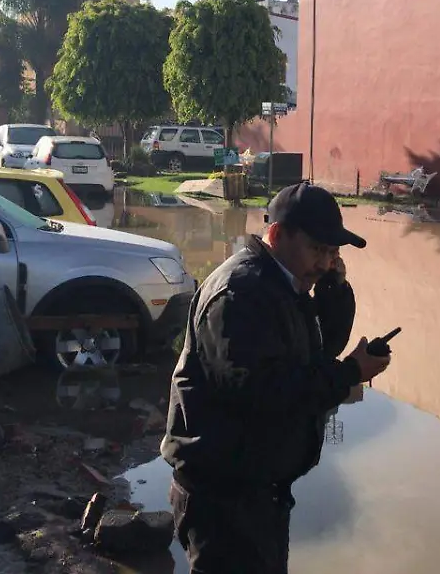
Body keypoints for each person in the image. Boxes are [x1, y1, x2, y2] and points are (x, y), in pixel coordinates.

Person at [161, 181, 392, 573]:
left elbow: (320, 350)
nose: (324, 262)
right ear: (277, 234)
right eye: (318, 249)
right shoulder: (241, 293)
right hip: (223, 498)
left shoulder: (285, 282)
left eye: (333, 252)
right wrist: (351, 373)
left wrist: (334, 287)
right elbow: (262, 392)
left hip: (256, 492)